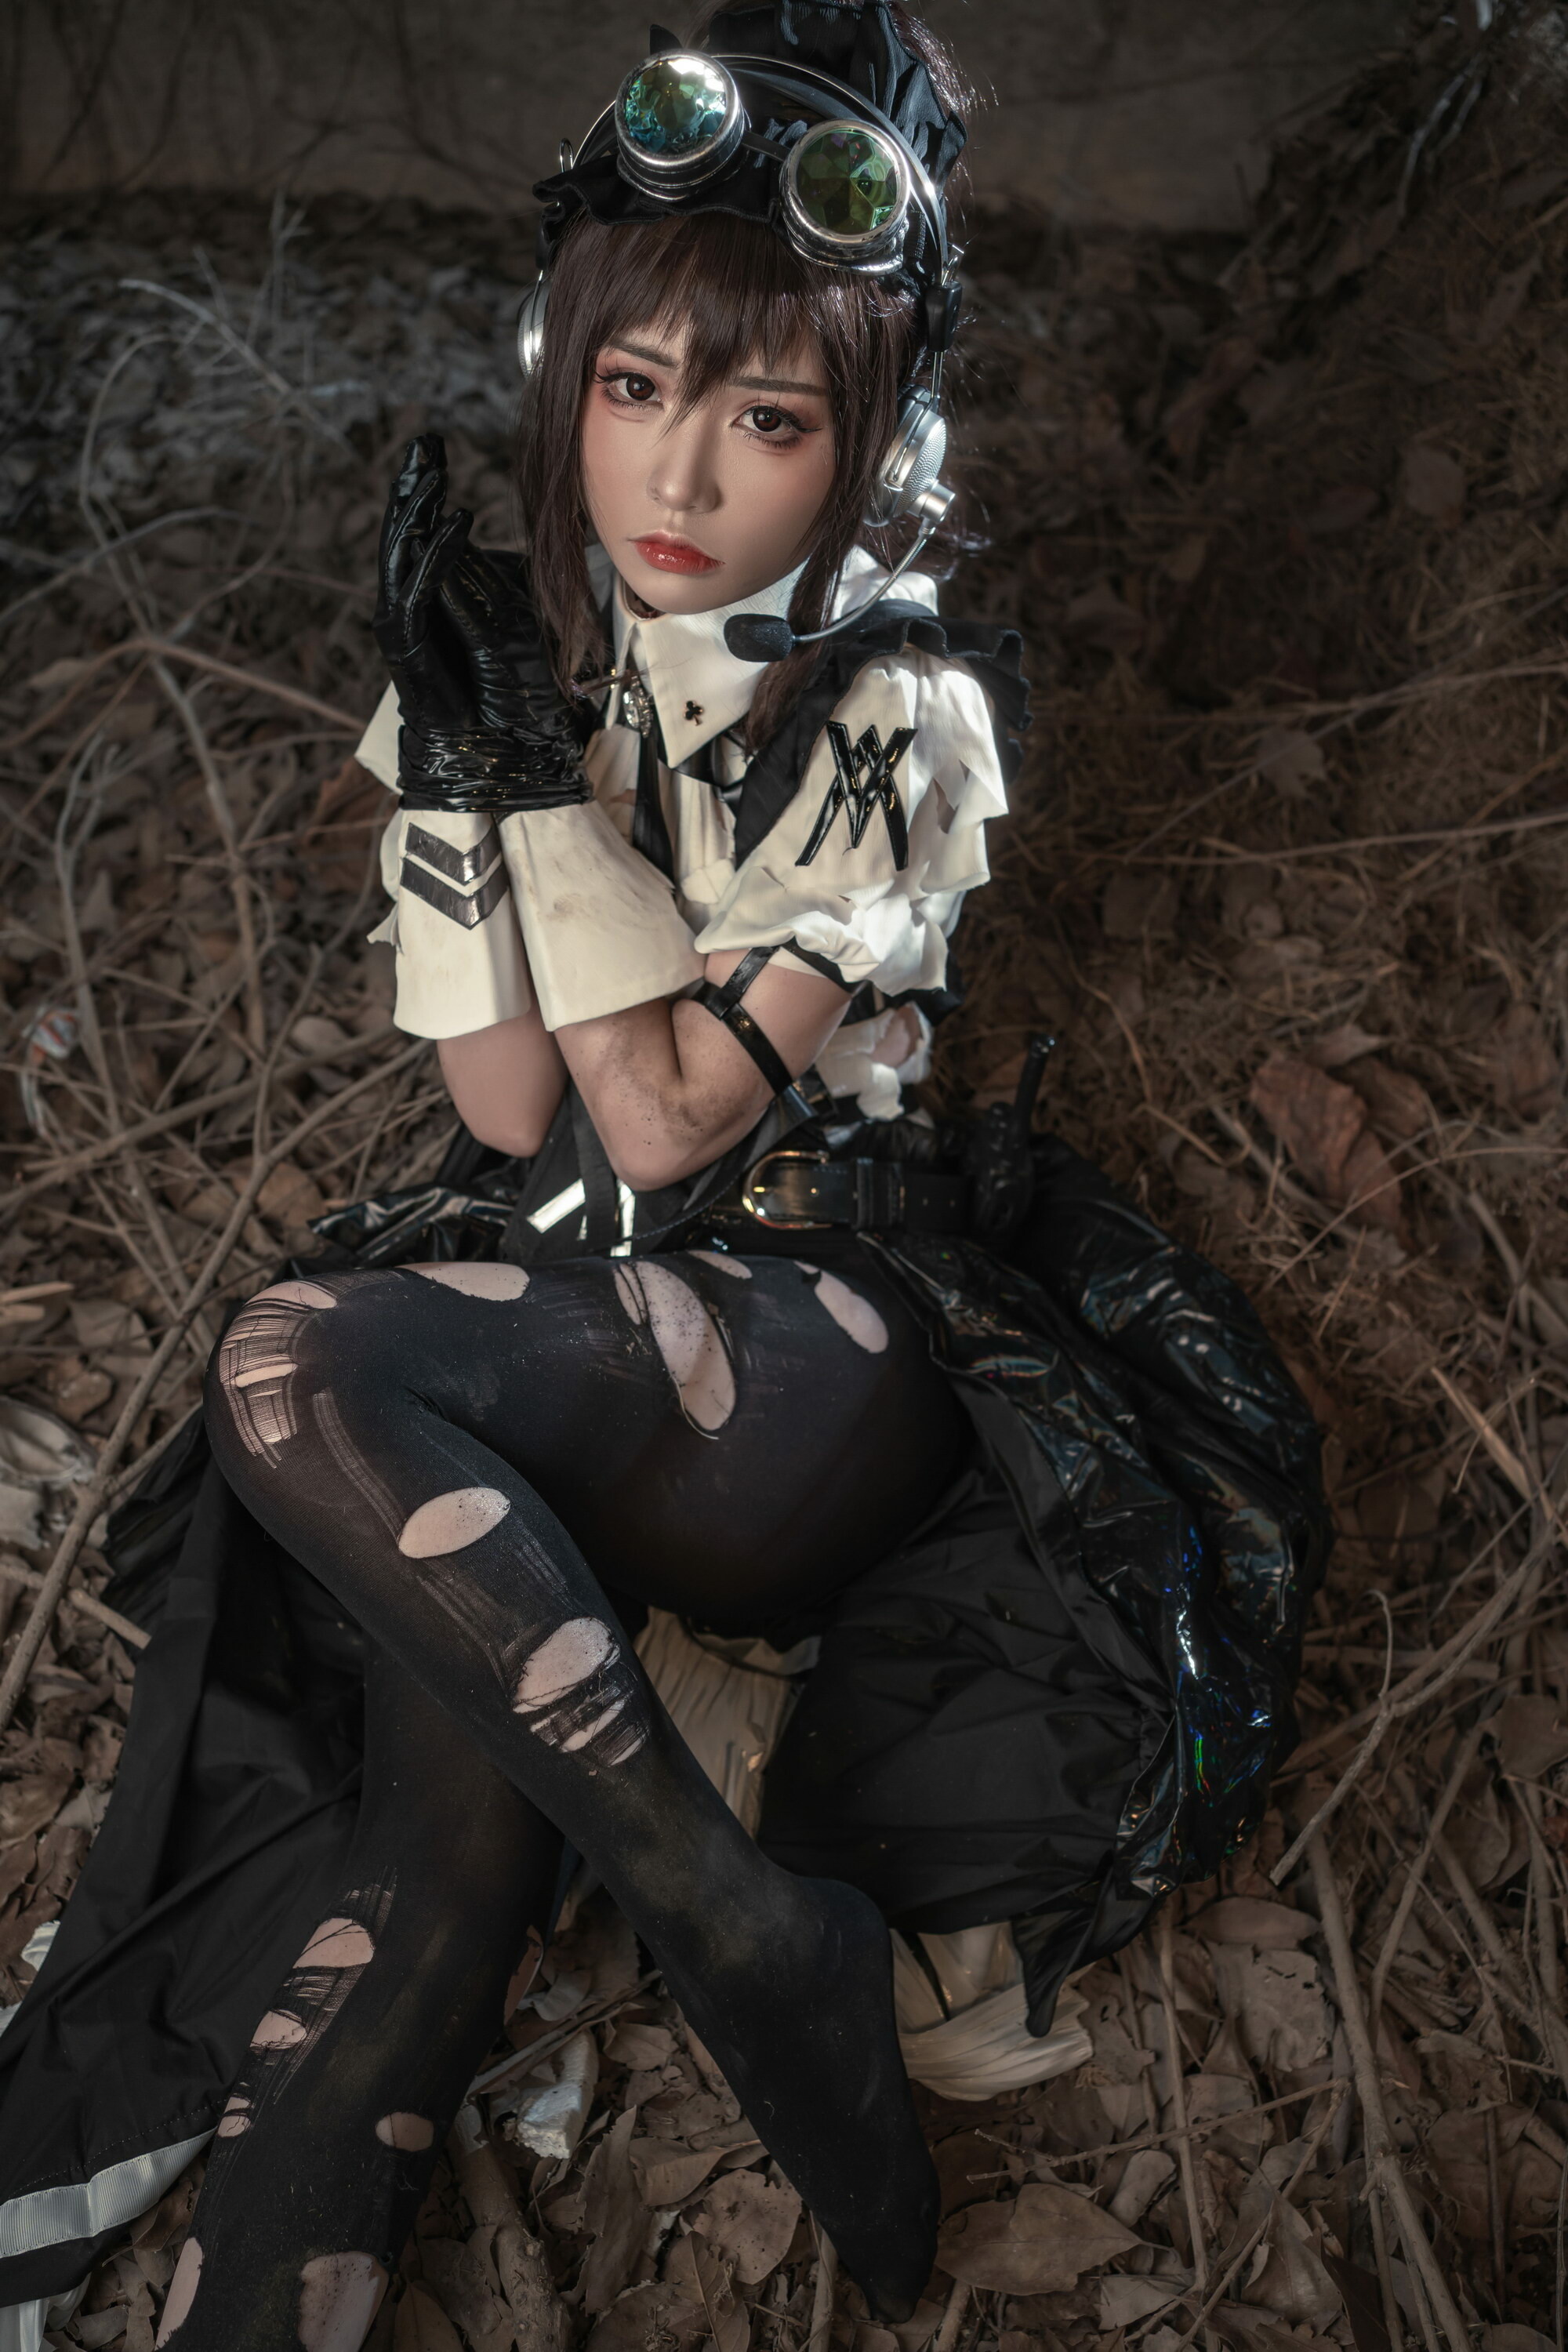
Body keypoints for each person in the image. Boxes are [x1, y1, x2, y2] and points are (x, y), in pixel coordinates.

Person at [0, 9, 1330, 2351]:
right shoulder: (531, 658)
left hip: (818, 1341)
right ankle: (643, 1985)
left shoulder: (898, 711)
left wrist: (536, 799)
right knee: (404, 1923)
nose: (680, 470)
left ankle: (733, 1912)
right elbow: (510, 1106)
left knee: (297, 1365)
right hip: (561, 1316)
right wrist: (484, 766)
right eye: (634, 388)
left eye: (768, 416)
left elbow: (672, 1121)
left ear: (869, 441)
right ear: (563, 377)